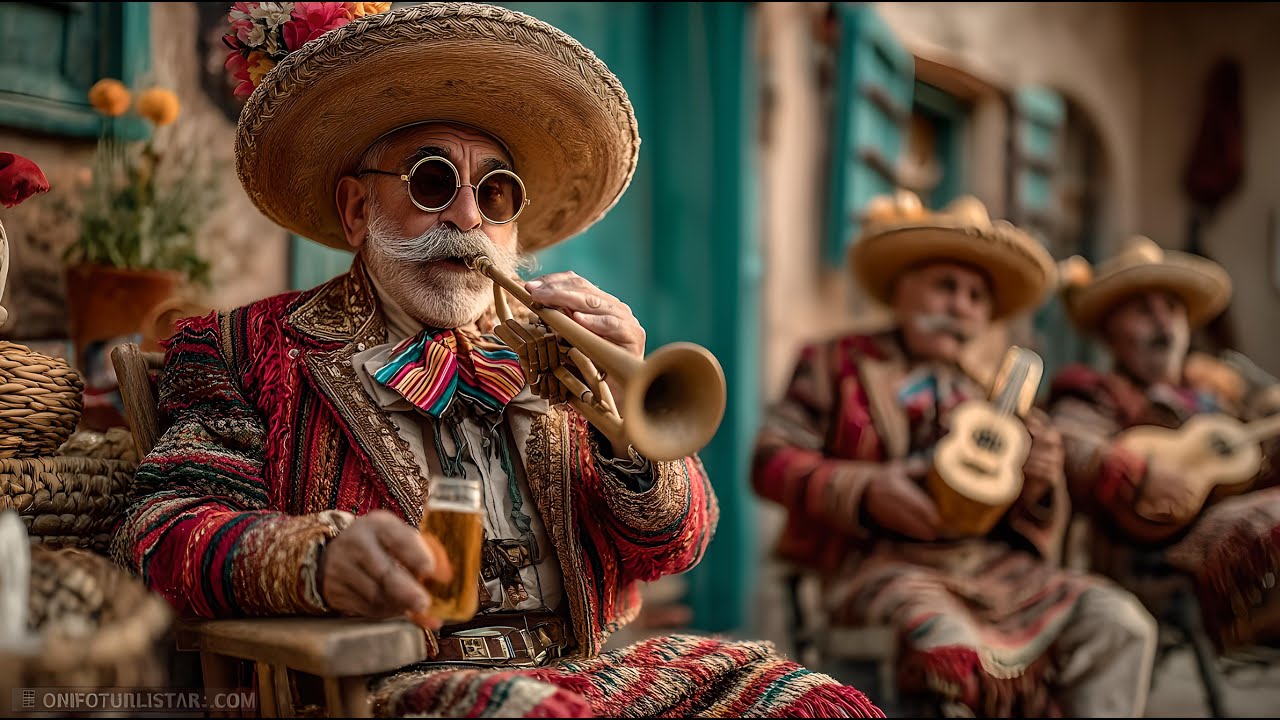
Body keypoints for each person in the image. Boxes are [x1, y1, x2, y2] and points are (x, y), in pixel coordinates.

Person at [111, 3, 881, 717]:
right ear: (357, 211)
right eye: (433, 180)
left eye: (498, 193)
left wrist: (626, 430)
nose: (469, 216)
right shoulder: (248, 349)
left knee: (808, 696)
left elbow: (674, 544)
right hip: (384, 687)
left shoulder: (551, 350)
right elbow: (156, 531)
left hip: (582, 674)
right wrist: (315, 559)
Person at [752, 190, 1158, 717]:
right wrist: (868, 489)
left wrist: (1037, 483)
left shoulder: (996, 395)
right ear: (901, 289)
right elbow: (770, 460)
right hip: (877, 567)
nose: (961, 307)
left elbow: (1023, 521)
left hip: (996, 571)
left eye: (976, 296)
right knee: (949, 646)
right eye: (946, 286)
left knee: (1120, 623)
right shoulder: (835, 364)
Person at [1048, 236, 1280, 652]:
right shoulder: (1095, 392)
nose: (1162, 322)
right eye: (1142, 310)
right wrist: (1132, 471)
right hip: (1160, 554)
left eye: (1172, 309)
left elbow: (1265, 423)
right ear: (1109, 331)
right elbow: (1071, 443)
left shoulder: (1220, 388)